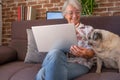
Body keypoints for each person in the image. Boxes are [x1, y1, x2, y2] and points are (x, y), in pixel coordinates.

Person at [35, 0, 95, 80]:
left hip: (80, 63)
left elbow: (94, 52)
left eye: (77, 12)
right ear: (65, 15)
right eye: (71, 13)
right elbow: (51, 52)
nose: (74, 16)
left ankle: (49, 67)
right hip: (57, 59)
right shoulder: (58, 30)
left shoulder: (88, 29)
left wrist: (85, 53)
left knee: (42, 74)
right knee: (55, 52)